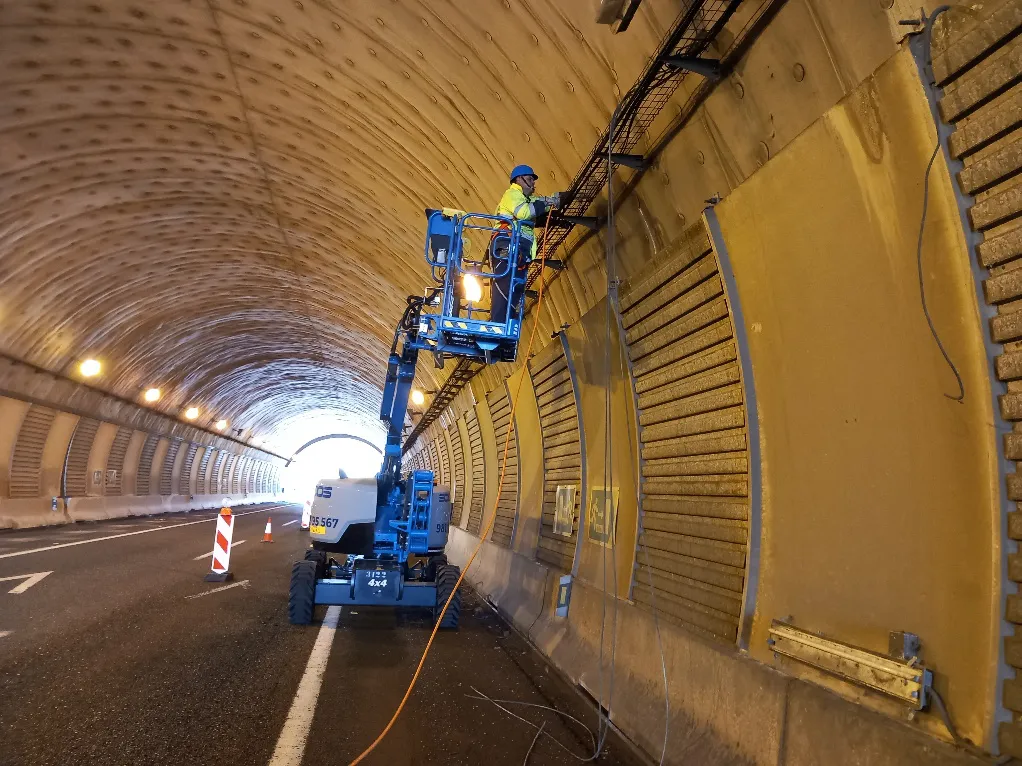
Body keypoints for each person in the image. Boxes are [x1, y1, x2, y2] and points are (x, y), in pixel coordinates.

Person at [490, 164, 562, 323]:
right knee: (505, 286)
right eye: (530, 179)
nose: (533, 183)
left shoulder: (526, 198)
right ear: (519, 180)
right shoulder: (512, 194)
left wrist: (553, 200)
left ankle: (507, 322)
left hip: (519, 251)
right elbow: (525, 212)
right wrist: (547, 202)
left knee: (515, 288)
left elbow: (537, 203)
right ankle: (498, 325)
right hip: (507, 246)